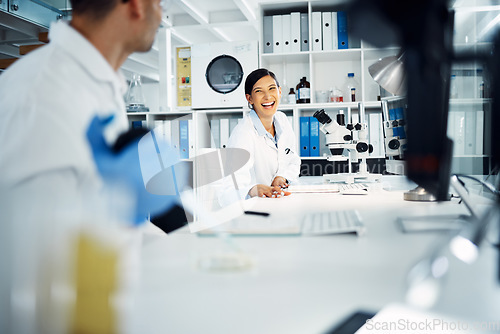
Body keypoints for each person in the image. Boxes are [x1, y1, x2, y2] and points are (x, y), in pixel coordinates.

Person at [0, 0, 179, 224]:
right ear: (137, 5)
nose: (162, 15)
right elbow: (31, 243)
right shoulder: (39, 94)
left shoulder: (99, 85)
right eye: (160, 4)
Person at [223, 68, 301, 200]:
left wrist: (281, 177)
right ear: (250, 98)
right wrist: (253, 190)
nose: (267, 96)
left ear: (280, 91)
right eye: (259, 91)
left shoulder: (282, 120)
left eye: (272, 89)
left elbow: (293, 162)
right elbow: (228, 191)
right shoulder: (243, 133)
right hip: (253, 210)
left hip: (276, 201)